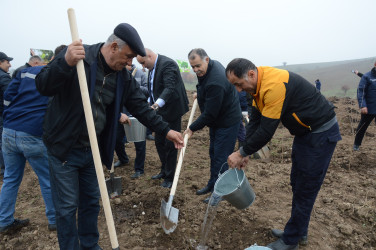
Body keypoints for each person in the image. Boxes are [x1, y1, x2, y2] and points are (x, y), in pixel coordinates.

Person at [35, 23, 184, 249]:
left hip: (92, 151)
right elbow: (43, 85)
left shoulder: (122, 77)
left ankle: (90, 244)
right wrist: (65, 62)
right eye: (128, 56)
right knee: (66, 208)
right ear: (114, 46)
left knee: (91, 203)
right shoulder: (79, 58)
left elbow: (141, 108)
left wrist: (167, 130)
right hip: (64, 149)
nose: (130, 63)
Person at [225, 58, 341, 250]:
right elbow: (255, 121)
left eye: (239, 84)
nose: (238, 89)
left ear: (251, 75)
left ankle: (290, 241)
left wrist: (241, 153)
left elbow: (267, 131)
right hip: (305, 133)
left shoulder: (273, 86)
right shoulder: (257, 85)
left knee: (306, 187)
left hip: (321, 133)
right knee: (298, 182)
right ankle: (298, 230)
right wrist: (244, 151)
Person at [0, 47, 61, 234]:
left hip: (9, 131)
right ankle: (54, 221)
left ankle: (4, 221)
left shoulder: (24, 72)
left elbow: (8, 98)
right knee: (47, 179)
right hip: (32, 133)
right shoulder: (56, 76)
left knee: (10, 178)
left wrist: (13, 113)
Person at [185, 48, 241, 203]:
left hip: (227, 122)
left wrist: (192, 128)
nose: (196, 70)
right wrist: (200, 93)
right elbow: (204, 86)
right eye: (193, 67)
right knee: (213, 153)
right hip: (217, 120)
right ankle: (212, 185)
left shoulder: (216, 80)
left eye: (198, 66)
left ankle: (220, 193)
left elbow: (209, 114)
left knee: (221, 158)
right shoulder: (211, 67)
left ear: (207, 60)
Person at [137, 48, 189, 188]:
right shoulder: (152, 67)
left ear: (148, 56)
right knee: (159, 142)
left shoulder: (168, 64)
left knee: (170, 144)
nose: (143, 67)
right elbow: (154, 89)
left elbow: (169, 88)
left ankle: (170, 177)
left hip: (172, 110)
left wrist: (156, 105)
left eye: (142, 63)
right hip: (159, 110)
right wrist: (149, 102)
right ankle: (164, 170)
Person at [114, 64, 147, 178]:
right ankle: (123, 159)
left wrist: (134, 85)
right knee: (117, 140)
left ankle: (139, 169)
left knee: (139, 142)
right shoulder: (116, 73)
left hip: (136, 114)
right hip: (121, 114)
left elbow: (147, 91)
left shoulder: (140, 74)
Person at [353, 60, 376, 151]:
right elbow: (361, 92)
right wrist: (363, 105)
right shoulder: (367, 77)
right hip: (369, 108)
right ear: (375, 65)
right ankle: (356, 144)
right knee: (362, 126)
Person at [0, 52, 13, 177]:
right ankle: (4, 169)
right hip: (2, 114)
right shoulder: (3, 77)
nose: (9, 65)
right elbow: (10, 96)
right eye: (7, 62)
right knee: (2, 143)